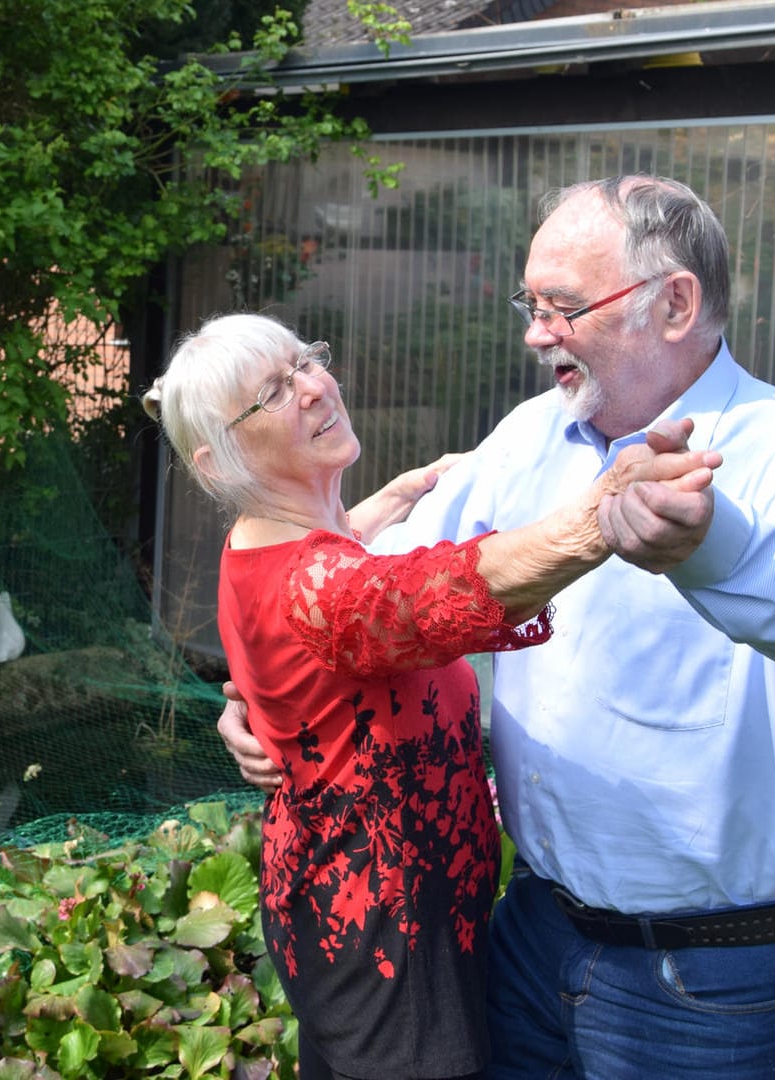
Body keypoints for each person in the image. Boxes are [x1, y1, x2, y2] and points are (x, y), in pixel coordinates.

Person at [217, 176, 775, 1079]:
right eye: (529, 304)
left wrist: (711, 539)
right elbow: (385, 599)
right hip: (532, 934)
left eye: (563, 307)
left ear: (675, 303)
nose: (536, 333)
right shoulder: (531, 437)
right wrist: (265, 696)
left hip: (706, 968)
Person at [143, 311, 720, 1080]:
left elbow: (333, 567)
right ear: (220, 463)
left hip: (354, 906)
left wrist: (403, 494)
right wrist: (604, 513)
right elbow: (436, 592)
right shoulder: (319, 586)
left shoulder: (274, 539)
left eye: (306, 361)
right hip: (387, 938)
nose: (315, 387)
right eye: (273, 392)